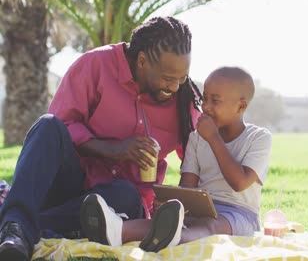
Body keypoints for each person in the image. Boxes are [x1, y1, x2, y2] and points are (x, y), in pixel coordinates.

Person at [0, 16, 202, 260]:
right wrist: (113, 149)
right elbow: (63, 125)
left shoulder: (182, 99)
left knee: (126, 196)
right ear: (142, 61)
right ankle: (15, 229)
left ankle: (19, 225)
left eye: (182, 78)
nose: (175, 87)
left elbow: (199, 155)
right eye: (168, 78)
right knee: (48, 125)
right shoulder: (95, 65)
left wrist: (180, 201)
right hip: (69, 184)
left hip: (116, 205)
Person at [80, 66, 273, 253]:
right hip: (203, 209)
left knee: (209, 225)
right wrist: (172, 202)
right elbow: (187, 187)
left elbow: (239, 182)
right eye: (204, 99)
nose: (205, 107)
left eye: (215, 101)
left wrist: (214, 138)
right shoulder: (197, 138)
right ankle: (115, 230)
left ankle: (175, 240)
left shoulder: (259, 138)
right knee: (170, 221)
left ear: (241, 106)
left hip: (239, 216)